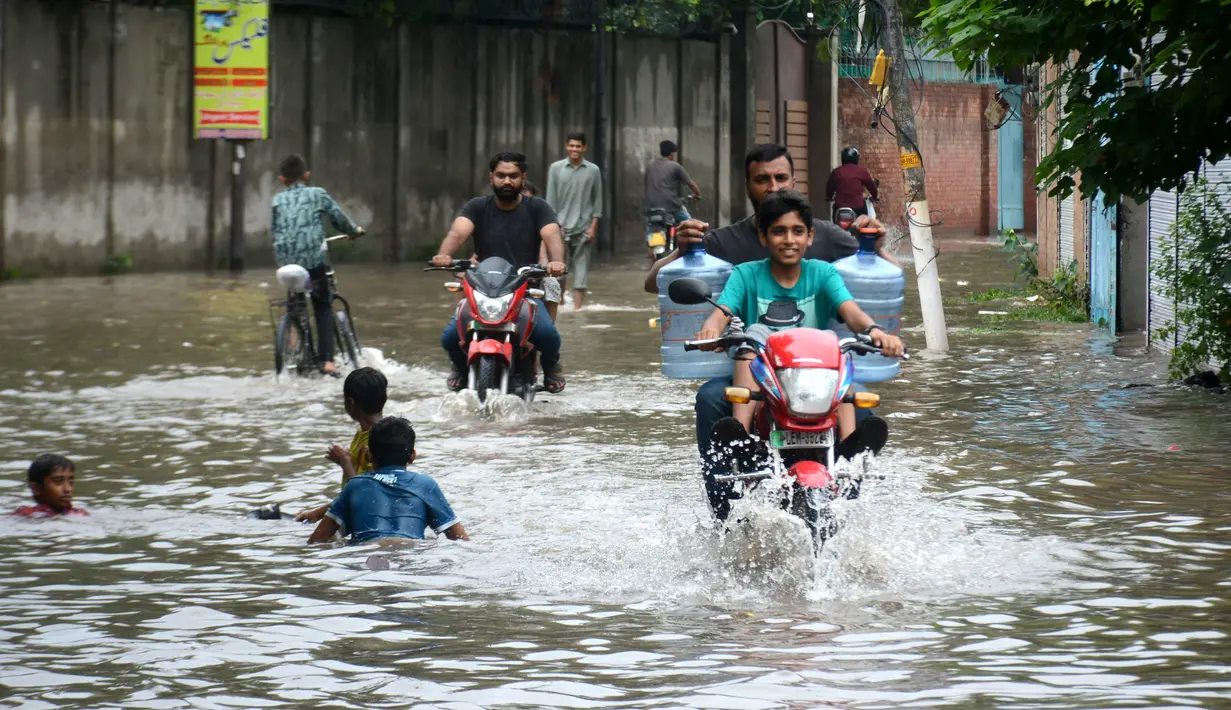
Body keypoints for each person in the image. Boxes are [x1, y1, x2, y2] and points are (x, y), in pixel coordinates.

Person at [643, 143, 897, 477]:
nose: (773, 187)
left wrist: (875, 249)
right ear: (748, 188)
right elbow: (659, 285)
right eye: (762, 179)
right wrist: (682, 252)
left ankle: (848, 477)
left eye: (781, 178)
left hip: (815, 366)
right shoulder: (730, 250)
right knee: (710, 397)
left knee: (860, 399)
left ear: (809, 235)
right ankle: (729, 487)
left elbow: (868, 294)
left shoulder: (826, 249)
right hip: (755, 368)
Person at [430, 152, 568, 393]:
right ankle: (460, 367)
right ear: (491, 177)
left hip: (524, 289)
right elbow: (457, 233)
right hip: (483, 289)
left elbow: (552, 234)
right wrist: (445, 255)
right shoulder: (477, 207)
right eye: (501, 175)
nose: (507, 181)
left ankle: (551, 366)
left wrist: (556, 262)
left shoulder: (537, 207)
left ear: (522, 178)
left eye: (513, 176)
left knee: (548, 335)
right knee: (451, 336)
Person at [271, 153, 366, 376]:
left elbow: (275, 231)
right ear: (307, 175)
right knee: (323, 305)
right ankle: (327, 362)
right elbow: (339, 219)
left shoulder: (276, 200)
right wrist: (354, 232)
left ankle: (292, 344)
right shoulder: (317, 194)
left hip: (285, 264)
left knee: (295, 301)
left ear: (282, 179)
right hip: (312, 262)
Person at [308, 416, 469, 544]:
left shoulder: (355, 486)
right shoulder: (425, 485)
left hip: (368, 551)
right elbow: (461, 540)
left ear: (368, 456)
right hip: (411, 551)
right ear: (412, 455)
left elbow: (317, 540)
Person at [294, 367, 387, 523]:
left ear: (350, 403)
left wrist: (345, 462)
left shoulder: (377, 441)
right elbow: (351, 494)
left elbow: (367, 496)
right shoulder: (364, 434)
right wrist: (318, 512)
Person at [546, 133, 603, 311]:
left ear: (584, 148)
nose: (574, 150)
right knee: (558, 269)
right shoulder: (556, 168)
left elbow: (598, 200)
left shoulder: (593, 170)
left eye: (578, 146)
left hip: (584, 228)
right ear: (566, 147)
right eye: (571, 146)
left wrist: (593, 226)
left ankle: (577, 310)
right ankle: (561, 305)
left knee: (581, 270)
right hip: (560, 228)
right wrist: (554, 226)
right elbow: (550, 200)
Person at [644, 140, 702, 264]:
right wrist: (697, 194)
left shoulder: (650, 166)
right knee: (690, 224)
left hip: (651, 207)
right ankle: (693, 256)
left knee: (651, 232)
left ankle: (652, 259)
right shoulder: (675, 166)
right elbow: (690, 183)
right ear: (672, 154)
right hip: (671, 204)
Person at [526, 180, 563, 322]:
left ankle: (549, 325)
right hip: (500, 276)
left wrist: (548, 268)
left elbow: (542, 258)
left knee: (552, 284)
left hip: (529, 275)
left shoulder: (539, 225)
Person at [13, 454, 88, 518]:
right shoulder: (27, 515)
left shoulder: (80, 513)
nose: (68, 489)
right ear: (36, 488)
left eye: (71, 482)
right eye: (58, 481)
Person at [825, 146, 879, 219]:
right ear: (856, 158)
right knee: (864, 224)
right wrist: (875, 197)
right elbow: (871, 187)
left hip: (839, 207)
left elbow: (829, 187)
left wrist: (829, 197)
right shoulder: (862, 172)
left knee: (835, 225)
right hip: (858, 208)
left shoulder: (836, 172)